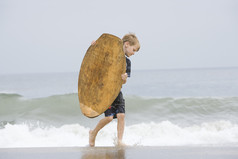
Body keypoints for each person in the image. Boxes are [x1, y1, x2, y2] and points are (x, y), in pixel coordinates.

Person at [89, 33, 140, 147]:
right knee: (109, 118)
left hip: (117, 91)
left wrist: (124, 78)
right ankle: (93, 133)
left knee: (121, 116)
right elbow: (97, 58)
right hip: (106, 92)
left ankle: (119, 141)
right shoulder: (110, 55)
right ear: (127, 44)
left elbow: (123, 82)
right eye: (134, 49)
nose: (134, 53)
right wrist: (94, 47)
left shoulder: (127, 63)